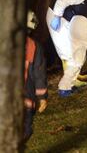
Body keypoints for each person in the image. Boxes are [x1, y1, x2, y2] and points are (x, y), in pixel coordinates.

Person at [24, 10, 48, 141]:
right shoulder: (34, 47)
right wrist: (42, 97)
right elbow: (39, 74)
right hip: (25, 100)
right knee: (24, 131)